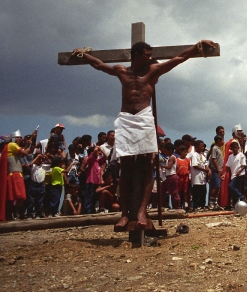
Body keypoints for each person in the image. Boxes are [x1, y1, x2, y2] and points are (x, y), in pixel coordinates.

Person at [75, 38, 215, 229]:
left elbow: (179, 58)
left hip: (144, 118)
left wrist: (198, 46)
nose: (150, 59)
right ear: (136, 56)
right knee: (125, 167)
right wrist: (83, 54)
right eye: (147, 55)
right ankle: (124, 214)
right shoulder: (121, 71)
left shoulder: (152, 71)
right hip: (125, 119)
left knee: (146, 167)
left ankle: (141, 212)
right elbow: (99, 65)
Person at [2, 129, 38, 221]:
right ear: (13, 138)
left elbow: (29, 151)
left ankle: (14, 213)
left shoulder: (15, 148)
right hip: (14, 174)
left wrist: (34, 139)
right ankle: (11, 214)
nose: (20, 139)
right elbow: (26, 152)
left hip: (17, 174)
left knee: (20, 197)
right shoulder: (12, 145)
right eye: (18, 138)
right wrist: (30, 142)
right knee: (13, 197)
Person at [190, 139, 209, 211]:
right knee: (197, 192)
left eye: (203, 146)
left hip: (202, 178)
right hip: (196, 178)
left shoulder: (202, 155)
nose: (203, 148)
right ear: (196, 147)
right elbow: (195, 166)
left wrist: (208, 170)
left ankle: (202, 205)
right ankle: (196, 206)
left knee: (203, 192)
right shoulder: (194, 155)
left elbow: (205, 163)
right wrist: (205, 170)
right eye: (201, 146)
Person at [208, 135, 225, 210]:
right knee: (216, 186)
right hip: (215, 170)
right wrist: (218, 169)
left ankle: (215, 202)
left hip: (219, 170)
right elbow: (213, 159)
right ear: (219, 140)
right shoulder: (215, 148)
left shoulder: (219, 149)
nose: (223, 142)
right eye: (222, 140)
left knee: (218, 187)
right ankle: (211, 203)